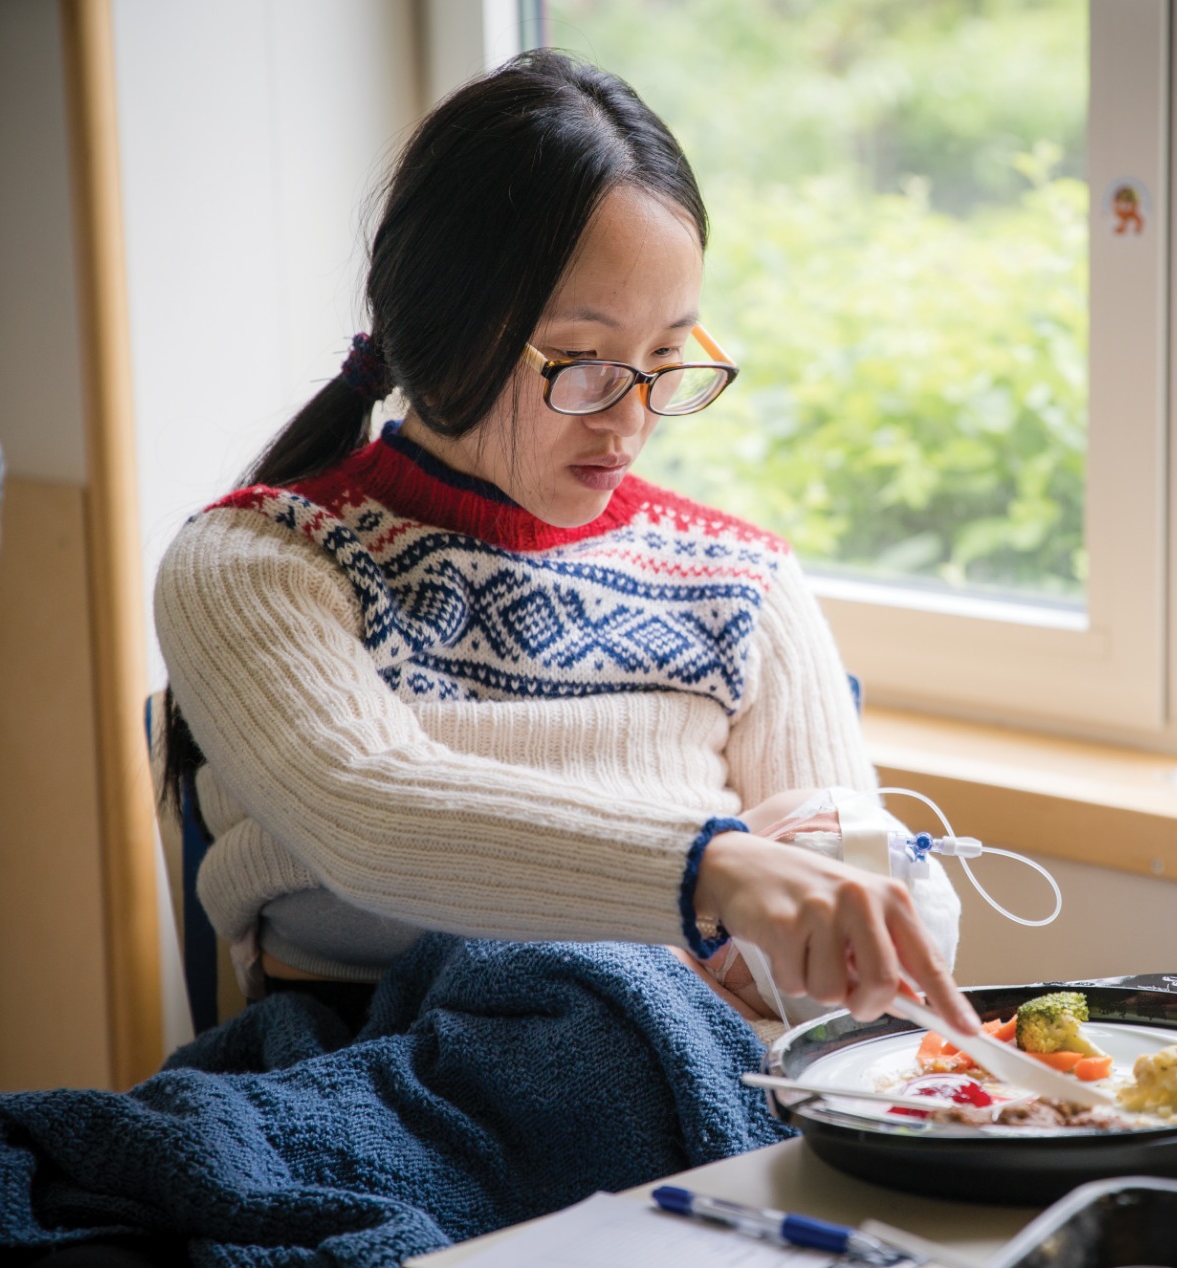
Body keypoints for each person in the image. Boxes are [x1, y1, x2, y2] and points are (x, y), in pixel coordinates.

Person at [155, 48, 980, 1046]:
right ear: (446, 326)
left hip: (688, 1068)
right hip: (375, 1068)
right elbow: (370, 815)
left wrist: (847, 907)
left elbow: (843, 914)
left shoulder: (741, 583)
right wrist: (711, 870)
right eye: (582, 363)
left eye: (666, 359)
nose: (627, 420)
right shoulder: (260, 560)